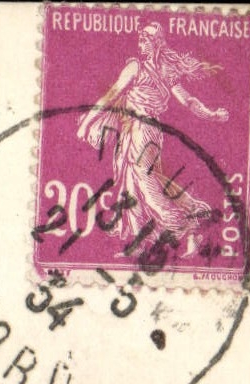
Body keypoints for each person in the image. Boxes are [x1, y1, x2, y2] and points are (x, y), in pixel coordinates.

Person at [76, 21, 228, 261]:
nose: (141, 44)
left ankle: (184, 225)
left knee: (146, 184)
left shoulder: (140, 68)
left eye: (146, 40)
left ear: (157, 43)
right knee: (134, 182)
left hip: (143, 129)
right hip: (145, 130)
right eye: (140, 40)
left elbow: (111, 95)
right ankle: (141, 242)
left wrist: (86, 123)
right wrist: (211, 114)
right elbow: (113, 94)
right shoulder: (157, 70)